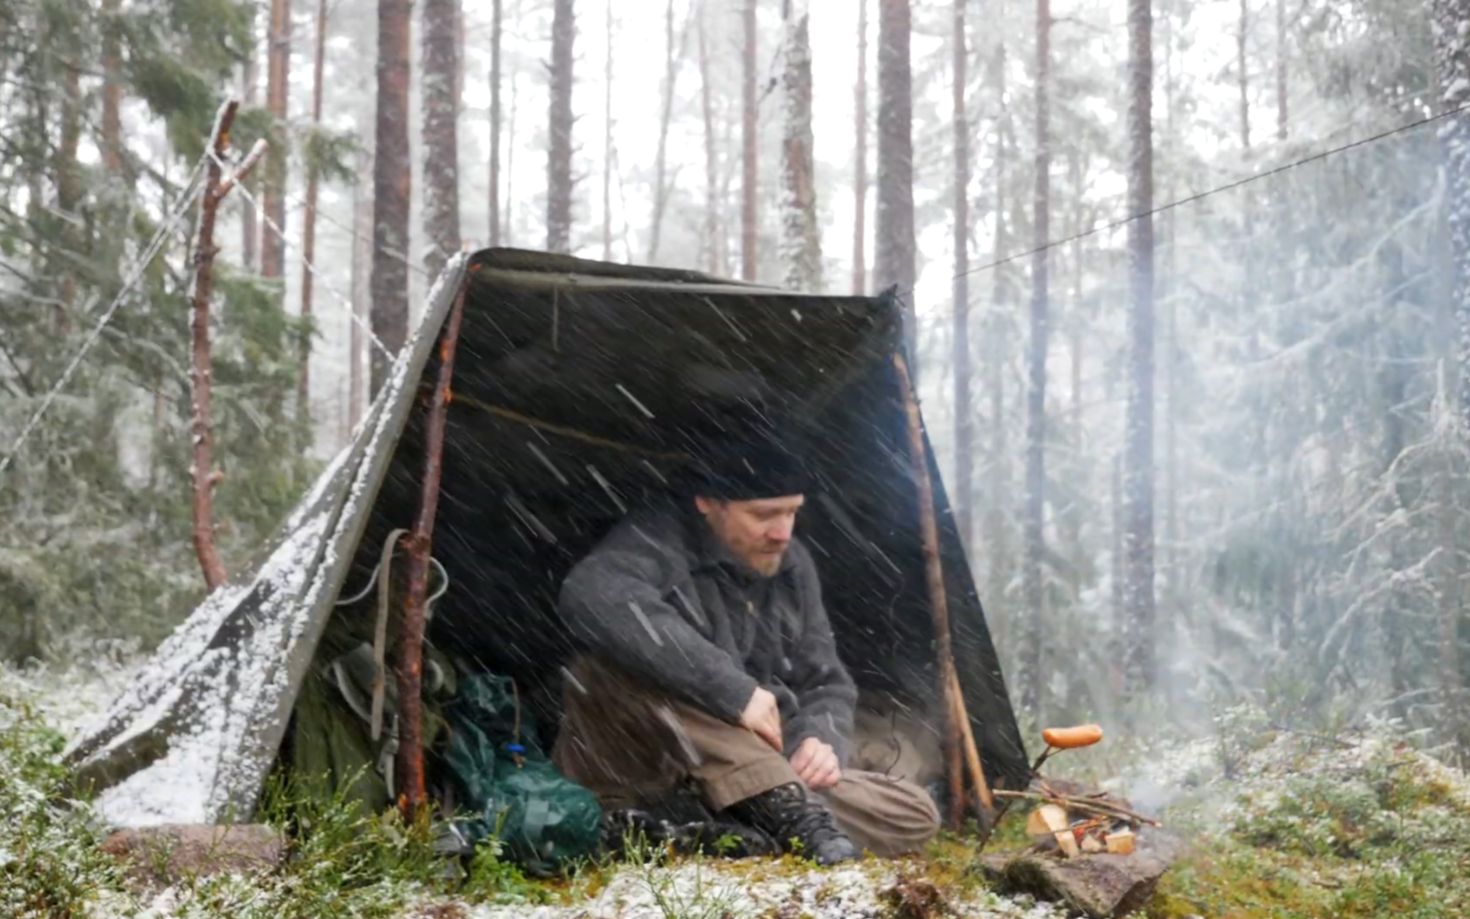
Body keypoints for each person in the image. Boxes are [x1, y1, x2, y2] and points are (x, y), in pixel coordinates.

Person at [551, 434, 940, 864]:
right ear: (707, 504)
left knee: (915, 813)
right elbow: (591, 593)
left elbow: (825, 680)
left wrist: (819, 739)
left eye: (792, 512)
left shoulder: (794, 564)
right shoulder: (661, 537)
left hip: (760, 765)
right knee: (610, 668)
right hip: (657, 760)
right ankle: (774, 813)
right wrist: (734, 692)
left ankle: (728, 823)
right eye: (764, 515)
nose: (782, 533)